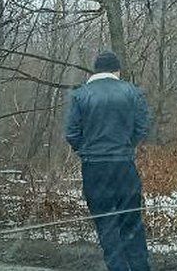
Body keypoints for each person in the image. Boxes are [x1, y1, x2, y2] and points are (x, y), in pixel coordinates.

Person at [65, 50, 151, 271]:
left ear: (95, 70)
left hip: (94, 167)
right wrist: (126, 146)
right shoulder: (132, 92)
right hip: (124, 165)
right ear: (117, 70)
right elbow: (142, 127)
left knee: (106, 223)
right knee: (131, 220)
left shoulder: (80, 95)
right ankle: (141, 267)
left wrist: (87, 150)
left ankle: (118, 268)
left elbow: (72, 134)